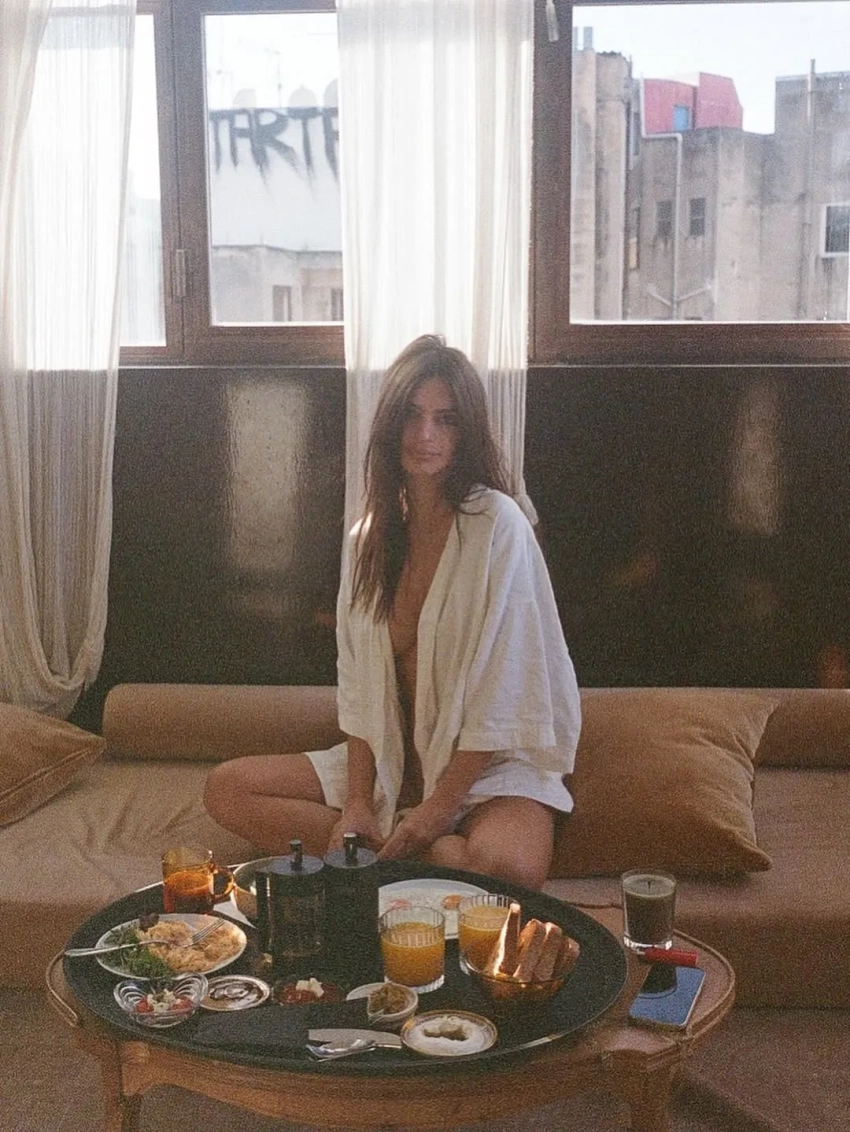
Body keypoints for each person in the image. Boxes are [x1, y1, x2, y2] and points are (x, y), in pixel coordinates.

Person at [203, 335, 580, 891]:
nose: (425, 435)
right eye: (412, 415)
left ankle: (382, 859)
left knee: (508, 870)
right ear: (389, 423)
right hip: (393, 763)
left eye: (446, 420)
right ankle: (397, 853)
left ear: (467, 432)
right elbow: (359, 687)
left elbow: (506, 689)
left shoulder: (499, 526)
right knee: (227, 788)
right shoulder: (368, 539)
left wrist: (439, 810)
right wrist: (358, 801)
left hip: (487, 769)